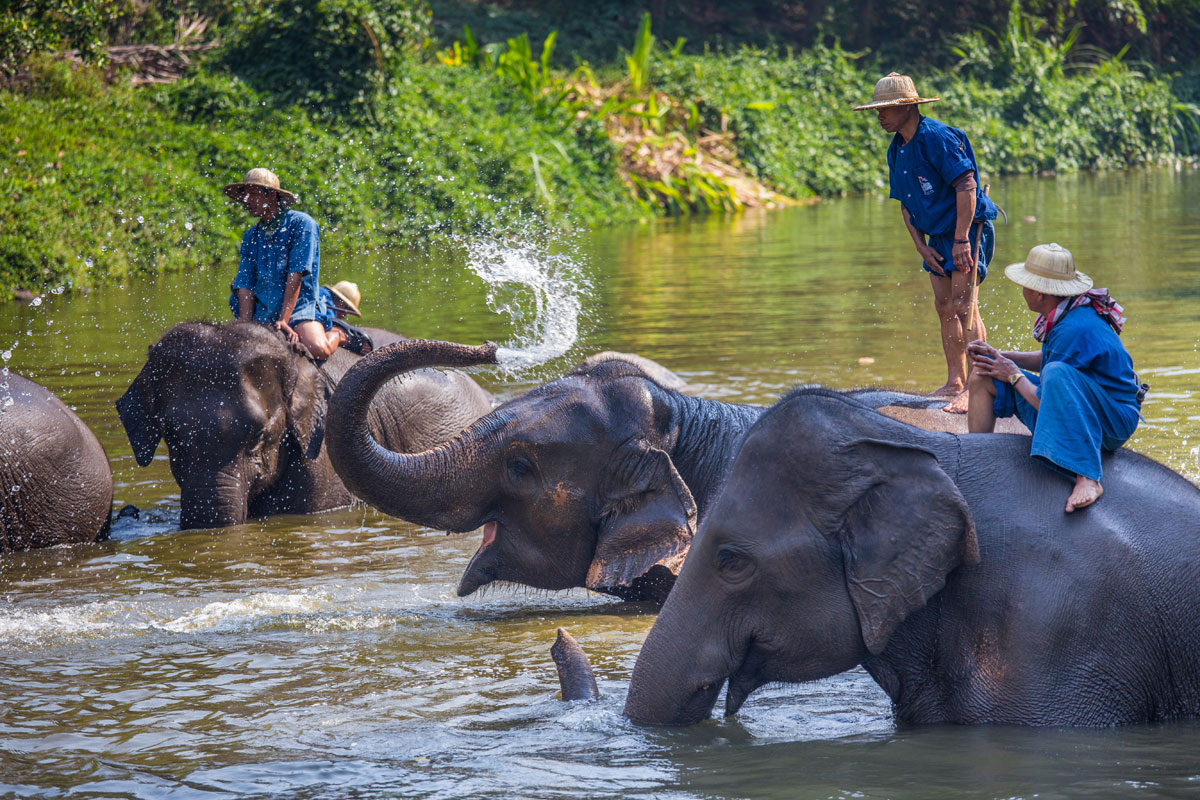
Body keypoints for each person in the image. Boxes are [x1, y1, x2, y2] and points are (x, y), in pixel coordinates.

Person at [854, 72, 999, 412]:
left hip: (966, 229)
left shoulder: (938, 137)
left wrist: (962, 239)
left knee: (965, 305)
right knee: (944, 306)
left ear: (908, 107)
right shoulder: (897, 150)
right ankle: (955, 381)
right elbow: (906, 203)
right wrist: (921, 246)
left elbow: (967, 186)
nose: (880, 116)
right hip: (935, 235)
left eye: (886, 109)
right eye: (878, 110)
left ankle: (980, 386)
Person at [965, 243, 1143, 513]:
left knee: (1055, 374)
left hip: (1113, 417)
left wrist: (1012, 375)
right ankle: (977, 457)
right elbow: (1050, 358)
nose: (1022, 290)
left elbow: (1048, 398)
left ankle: (1088, 477)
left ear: (1039, 293)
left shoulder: (1073, 326)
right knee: (983, 373)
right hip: (1081, 401)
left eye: (1025, 285)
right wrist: (999, 357)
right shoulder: (1066, 312)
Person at [224, 168, 347, 360]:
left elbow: (296, 273)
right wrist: (245, 328)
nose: (248, 200)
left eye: (254, 194)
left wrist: (284, 320)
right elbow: (245, 285)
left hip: (299, 308)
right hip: (263, 311)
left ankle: (337, 334)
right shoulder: (250, 236)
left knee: (318, 349)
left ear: (271, 195)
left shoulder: (302, 224)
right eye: (246, 195)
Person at [320, 280, 374, 354]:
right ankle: (344, 337)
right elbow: (326, 324)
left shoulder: (320, 292)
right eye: (347, 309)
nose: (344, 316)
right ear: (342, 303)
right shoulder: (328, 304)